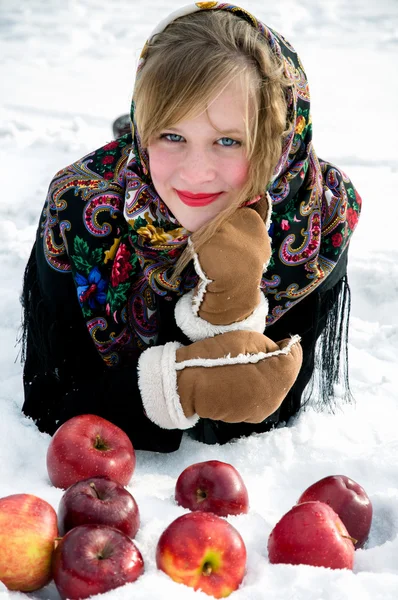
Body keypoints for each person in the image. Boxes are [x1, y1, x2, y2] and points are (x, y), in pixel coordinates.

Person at [20, 3, 361, 452]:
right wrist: (179, 386)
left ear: (276, 140)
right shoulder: (79, 209)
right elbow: (52, 403)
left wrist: (235, 303)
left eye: (227, 140)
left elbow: (274, 404)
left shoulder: (317, 212)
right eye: (171, 135)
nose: (196, 173)